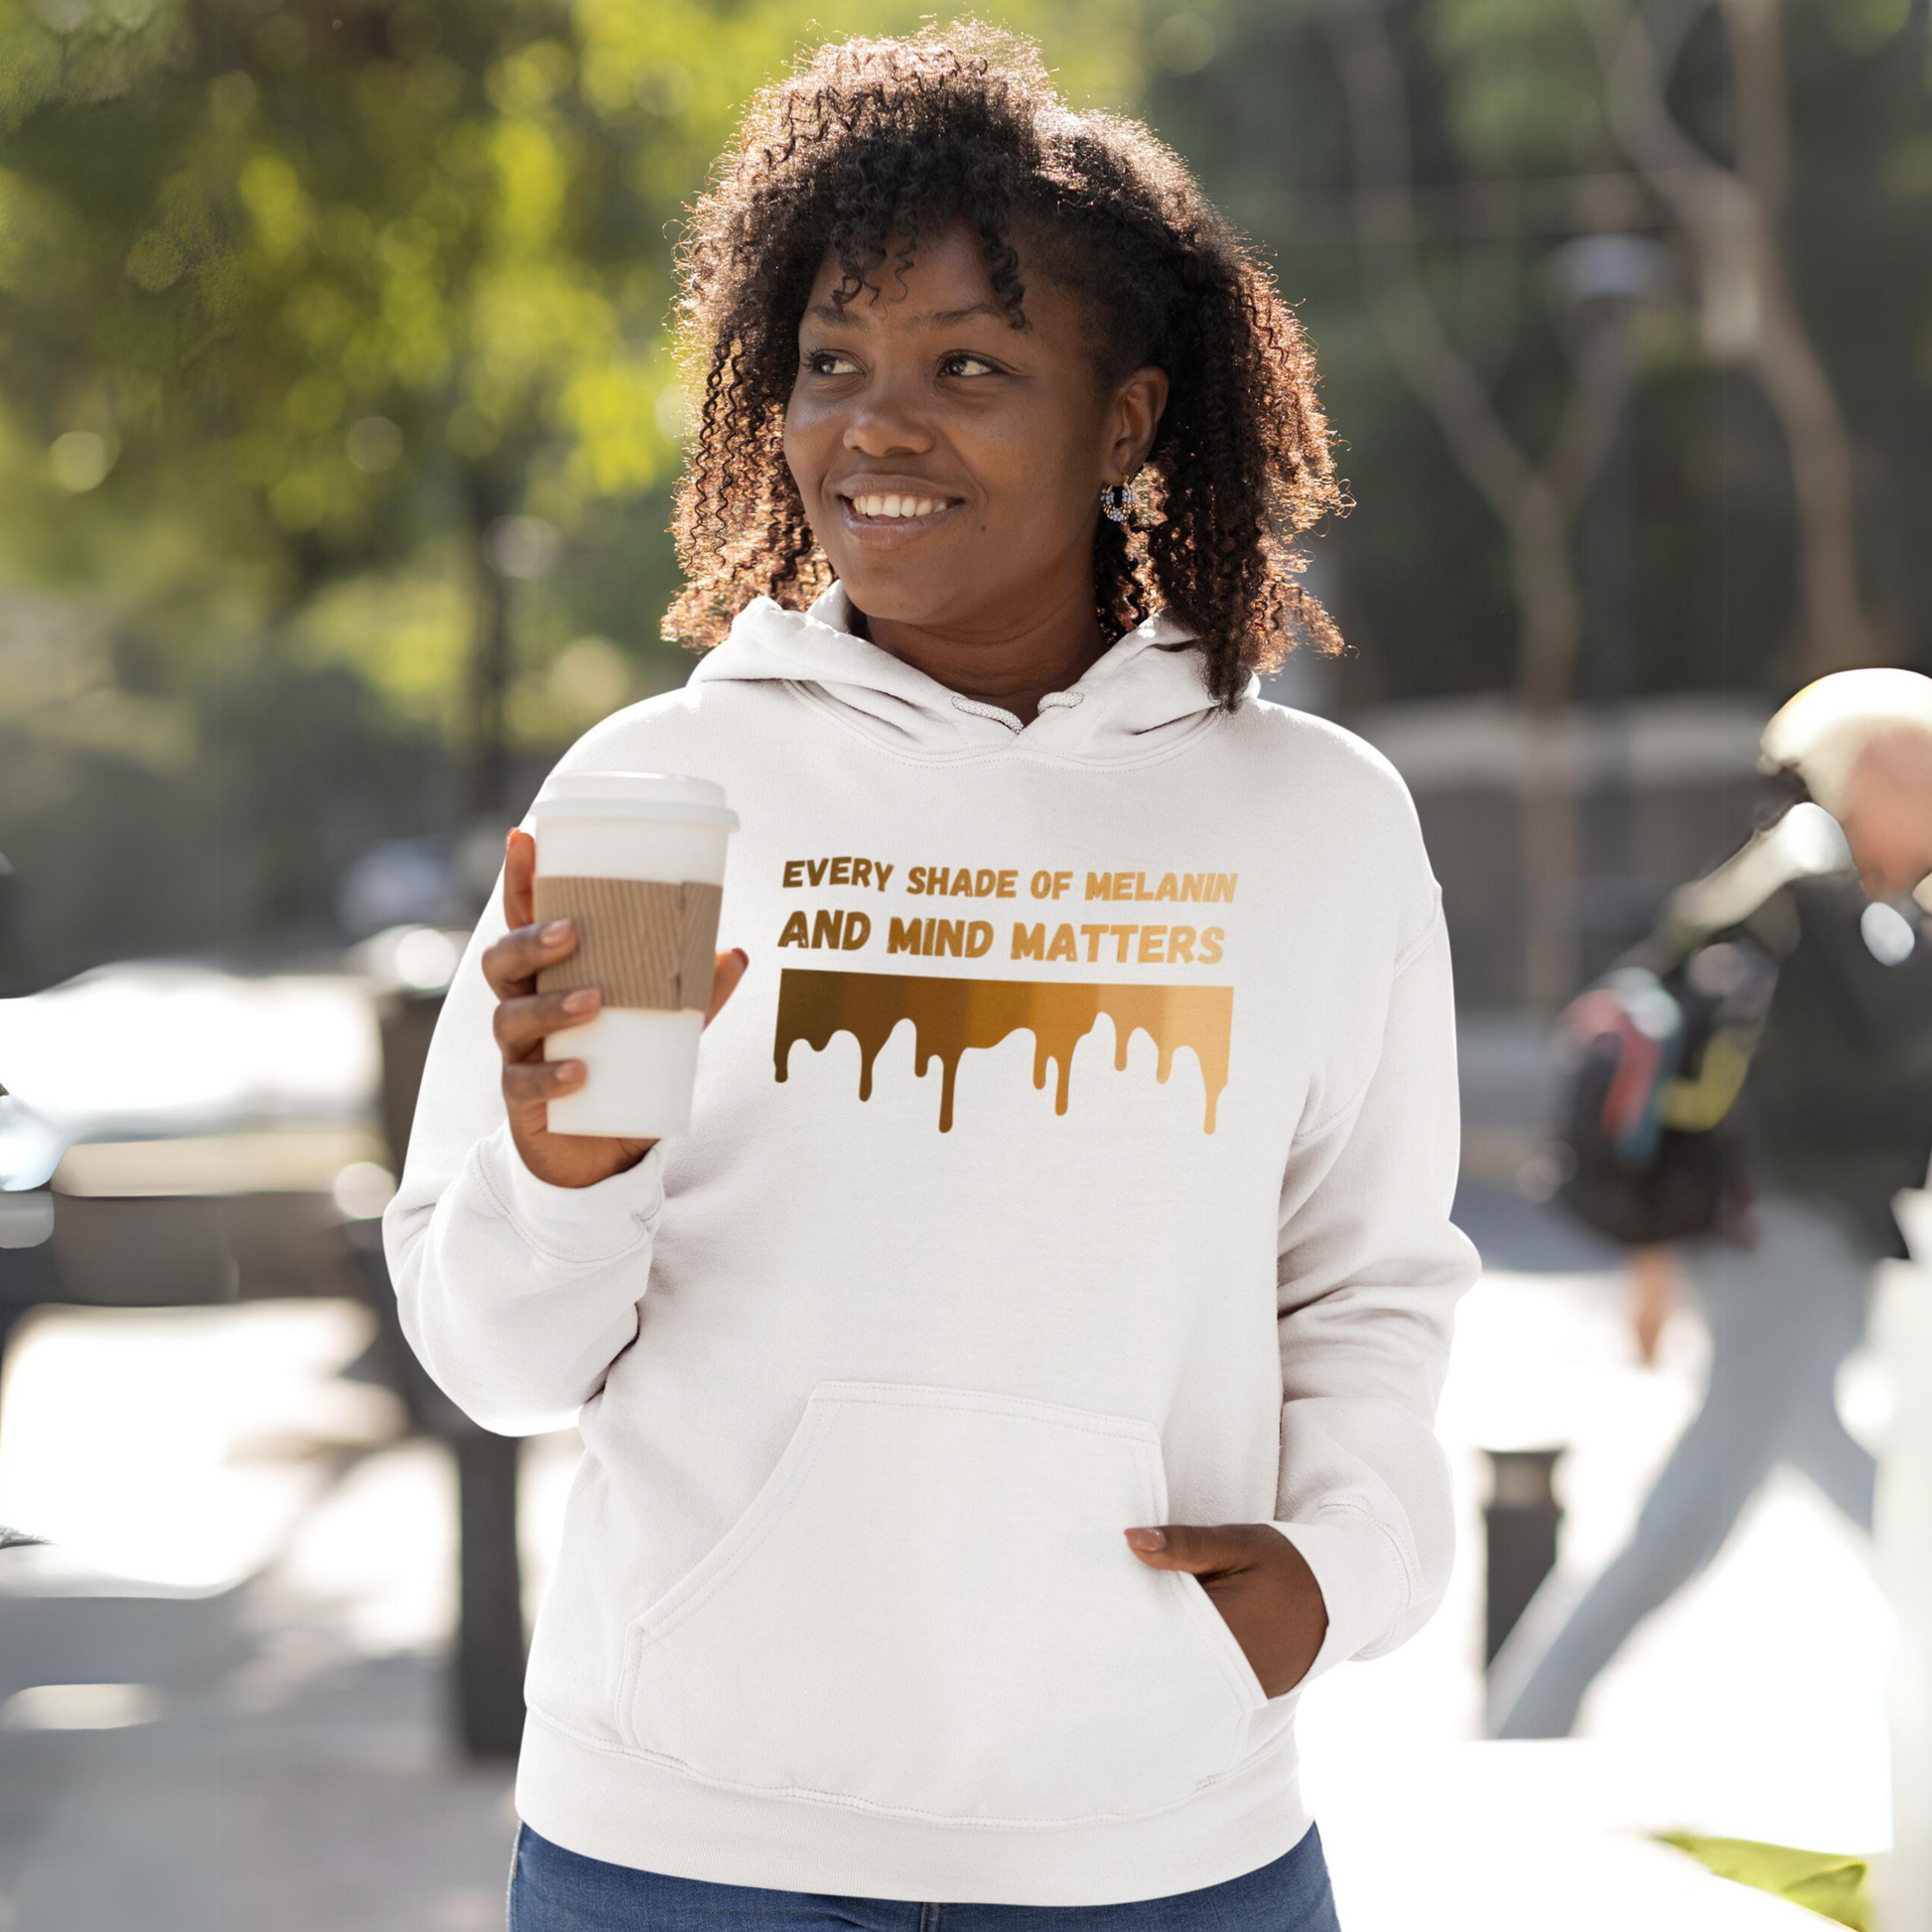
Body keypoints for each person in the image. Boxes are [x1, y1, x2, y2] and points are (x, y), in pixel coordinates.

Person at [382, 23, 1480, 1927]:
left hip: (1161, 1840)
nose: (873, 427)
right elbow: (500, 1360)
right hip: (694, 1840)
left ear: (1127, 423)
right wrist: (557, 1178)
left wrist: (1344, 1562)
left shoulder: (1314, 825)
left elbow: (1370, 1281)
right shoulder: (664, 797)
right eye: (829, 366)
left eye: (969, 366)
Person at [1486, 678, 1932, 1741]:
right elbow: (1878, 1044)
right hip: (1781, 1232)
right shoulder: (1817, 885)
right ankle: (1523, 1720)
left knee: (1831, 1461)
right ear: (1868, 771)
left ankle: (1521, 1713)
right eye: (1918, 770)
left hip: (1780, 1230)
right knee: (1698, 1501)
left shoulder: (1784, 881)